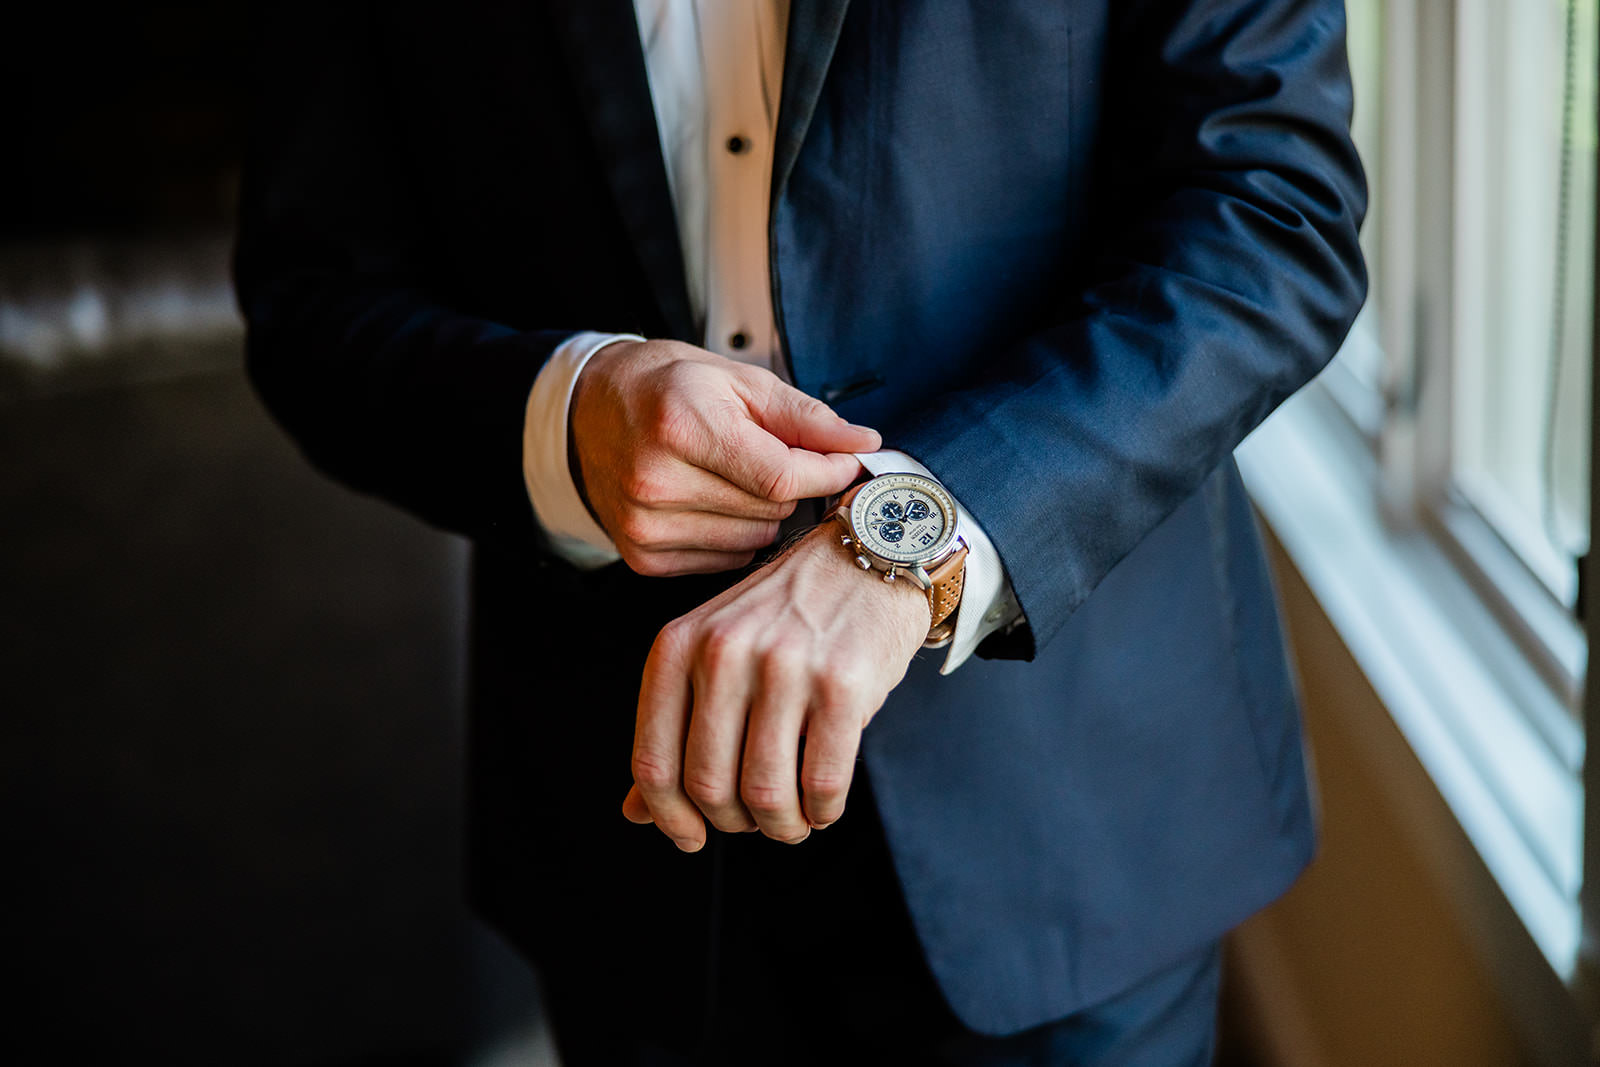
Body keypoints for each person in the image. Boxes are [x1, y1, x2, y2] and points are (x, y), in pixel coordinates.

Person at [236, 1, 1366, 1062]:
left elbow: (1270, 204)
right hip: (625, 814)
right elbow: (315, 300)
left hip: (1073, 799)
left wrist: (909, 540)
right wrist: (564, 417)